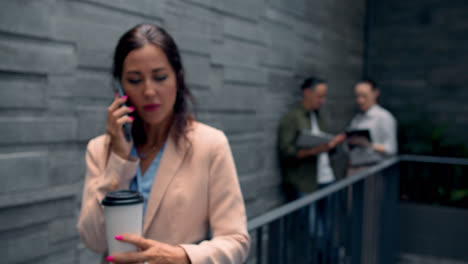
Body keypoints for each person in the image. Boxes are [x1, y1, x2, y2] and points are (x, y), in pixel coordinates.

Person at [77, 24, 250, 264]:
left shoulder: (210, 145)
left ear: (177, 78)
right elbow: (93, 239)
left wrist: (184, 256)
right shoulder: (100, 149)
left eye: (160, 77)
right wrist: (118, 160)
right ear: (120, 87)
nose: (149, 91)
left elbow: (236, 241)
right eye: (135, 80)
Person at [278, 77, 345, 263]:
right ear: (307, 92)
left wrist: (331, 146)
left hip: (326, 179)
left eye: (324, 97)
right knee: (317, 233)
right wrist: (313, 150)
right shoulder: (292, 118)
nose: (322, 101)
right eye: (319, 96)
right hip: (305, 183)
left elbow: (323, 147)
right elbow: (286, 152)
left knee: (330, 230)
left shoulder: (319, 117)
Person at [347, 78, 397, 171]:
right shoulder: (357, 118)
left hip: (373, 170)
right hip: (354, 168)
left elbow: (391, 149)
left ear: (375, 93)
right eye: (357, 96)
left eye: (364, 96)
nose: (360, 100)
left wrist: (367, 144)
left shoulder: (384, 117)